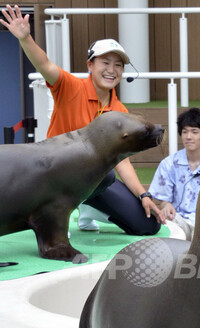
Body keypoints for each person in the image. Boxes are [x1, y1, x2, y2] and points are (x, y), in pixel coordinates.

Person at [1, 4, 164, 235]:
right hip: (53, 182)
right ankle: (57, 213)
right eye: (105, 62)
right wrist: (25, 38)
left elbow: (122, 160)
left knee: (146, 225)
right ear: (90, 65)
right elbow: (45, 65)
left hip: (92, 182)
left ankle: (87, 207)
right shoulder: (70, 87)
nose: (112, 70)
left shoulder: (119, 111)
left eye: (118, 65)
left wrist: (143, 194)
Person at [149, 108, 200, 240]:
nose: (188, 137)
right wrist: (166, 205)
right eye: (184, 131)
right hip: (179, 220)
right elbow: (164, 201)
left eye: (194, 132)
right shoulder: (169, 164)